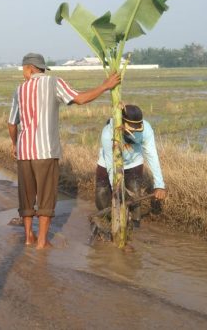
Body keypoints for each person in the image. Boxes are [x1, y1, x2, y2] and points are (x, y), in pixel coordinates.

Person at [7, 52, 121, 249]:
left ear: (29, 68)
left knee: (26, 196)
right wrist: (105, 86)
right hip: (46, 152)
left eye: (24, 70)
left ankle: (28, 237)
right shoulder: (53, 82)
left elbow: (11, 123)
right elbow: (80, 99)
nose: (23, 74)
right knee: (46, 196)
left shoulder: (19, 90)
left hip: (24, 151)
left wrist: (15, 143)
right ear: (40, 69)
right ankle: (42, 242)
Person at [96, 105, 167, 225]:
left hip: (133, 162)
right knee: (101, 197)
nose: (134, 130)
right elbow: (110, 166)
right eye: (131, 128)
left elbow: (152, 155)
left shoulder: (146, 129)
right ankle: (110, 223)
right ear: (122, 122)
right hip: (107, 164)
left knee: (135, 197)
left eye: (137, 128)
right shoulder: (108, 133)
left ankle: (134, 225)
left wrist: (159, 185)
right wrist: (117, 191)